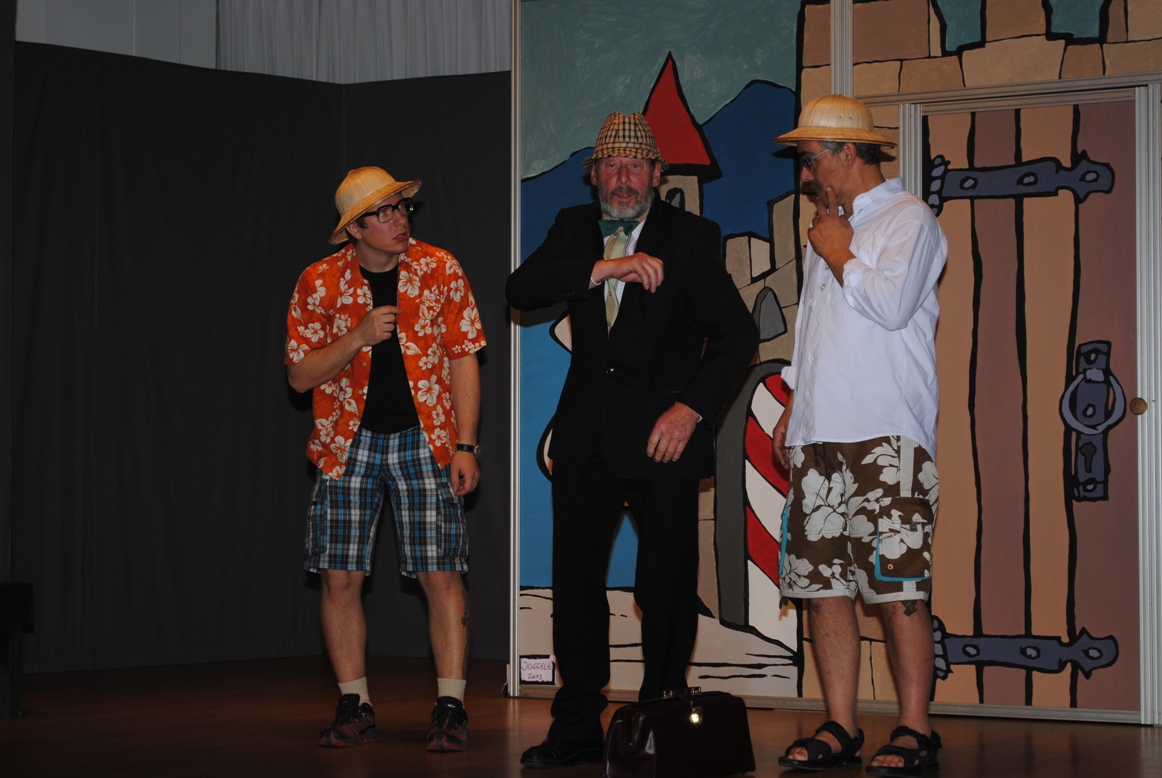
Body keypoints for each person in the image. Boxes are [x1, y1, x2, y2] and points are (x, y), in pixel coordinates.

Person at [507, 112, 758, 769]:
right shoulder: (573, 229)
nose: (622, 178)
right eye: (611, 167)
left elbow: (737, 336)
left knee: (666, 586)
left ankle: (662, 718)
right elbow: (520, 289)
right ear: (593, 175)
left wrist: (690, 410)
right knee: (576, 586)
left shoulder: (692, 237)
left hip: (664, 440)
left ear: (657, 173)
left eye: (635, 166)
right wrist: (603, 268)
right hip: (586, 437)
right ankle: (575, 727)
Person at [770, 95, 948, 776]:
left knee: (898, 586)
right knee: (821, 586)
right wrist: (795, 405)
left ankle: (915, 728)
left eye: (810, 159)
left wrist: (840, 251)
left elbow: (893, 307)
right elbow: (817, 332)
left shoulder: (909, 219)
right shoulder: (827, 227)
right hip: (820, 433)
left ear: (848, 152)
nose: (805, 174)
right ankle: (841, 725)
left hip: (886, 434)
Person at [284, 166, 486, 752]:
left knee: (440, 572)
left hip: (427, 439)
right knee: (340, 575)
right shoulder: (318, 282)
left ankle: (451, 706)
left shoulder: (439, 267)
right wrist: (356, 337)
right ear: (355, 229)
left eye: (402, 207)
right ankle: (355, 704)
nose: (400, 219)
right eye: (385, 212)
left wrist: (466, 444)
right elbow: (299, 376)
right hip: (346, 442)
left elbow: (464, 357)